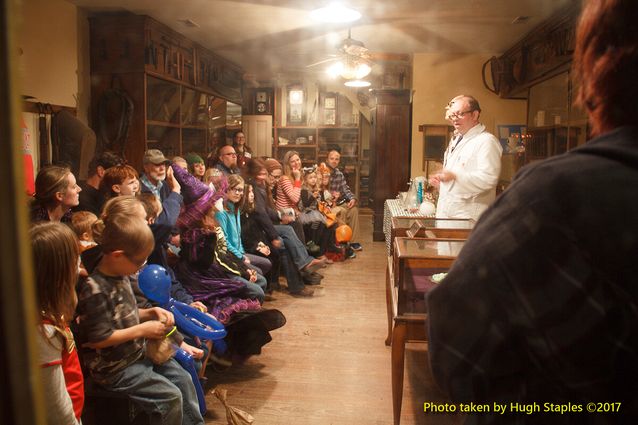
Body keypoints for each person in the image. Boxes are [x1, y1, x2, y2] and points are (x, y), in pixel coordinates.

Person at [426, 1, 638, 423]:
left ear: (595, 78)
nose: (451, 117)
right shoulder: (458, 142)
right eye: (449, 112)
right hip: (451, 214)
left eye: (457, 111)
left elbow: (455, 340)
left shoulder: (550, 190)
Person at [76, 214, 204, 425]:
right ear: (117, 255)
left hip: (137, 355)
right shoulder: (95, 289)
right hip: (116, 368)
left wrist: (150, 313)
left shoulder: (121, 275)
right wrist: (143, 330)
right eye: (138, 261)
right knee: (169, 397)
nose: (140, 267)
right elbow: (99, 338)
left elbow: (123, 314)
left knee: (184, 379)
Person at [31, 222, 84, 424]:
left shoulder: (50, 314)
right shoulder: (43, 331)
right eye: (75, 257)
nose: (79, 263)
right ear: (61, 270)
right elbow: (55, 407)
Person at [428, 95, 502, 221]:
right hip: (447, 215)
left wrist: (455, 177)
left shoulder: (486, 141)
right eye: (452, 116)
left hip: (469, 218)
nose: (454, 119)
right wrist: (442, 184)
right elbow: (455, 183)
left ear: (474, 115)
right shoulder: (457, 139)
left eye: (460, 114)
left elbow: (489, 178)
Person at [326, 149, 362, 252]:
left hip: (338, 202)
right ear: (327, 160)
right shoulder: (323, 172)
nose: (334, 161)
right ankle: (342, 242)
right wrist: (331, 196)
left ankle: (354, 242)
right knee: (341, 211)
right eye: (332, 158)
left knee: (353, 210)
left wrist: (352, 198)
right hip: (328, 204)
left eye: (336, 159)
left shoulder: (339, 174)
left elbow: (345, 190)